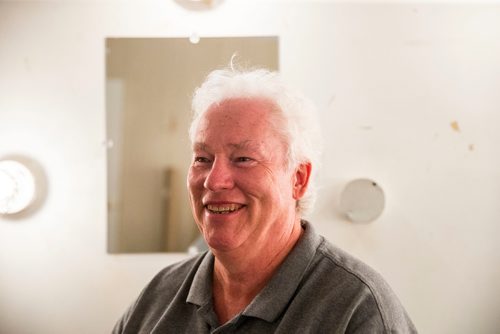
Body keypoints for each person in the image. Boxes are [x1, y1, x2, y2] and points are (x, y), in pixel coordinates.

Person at [112, 67, 417, 333]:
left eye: (243, 158)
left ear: (298, 179)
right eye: (203, 158)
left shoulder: (358, 311)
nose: (213, 180)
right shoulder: (159, 296)